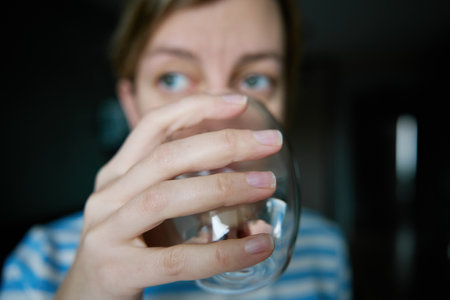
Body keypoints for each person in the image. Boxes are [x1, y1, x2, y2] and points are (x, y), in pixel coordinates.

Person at [0, 0, 352, 299]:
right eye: (172, 79)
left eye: (255, 80)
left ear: (286, 105)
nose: (218, 122)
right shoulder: (40, 262)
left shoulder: (326, 251)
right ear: (132, 105)